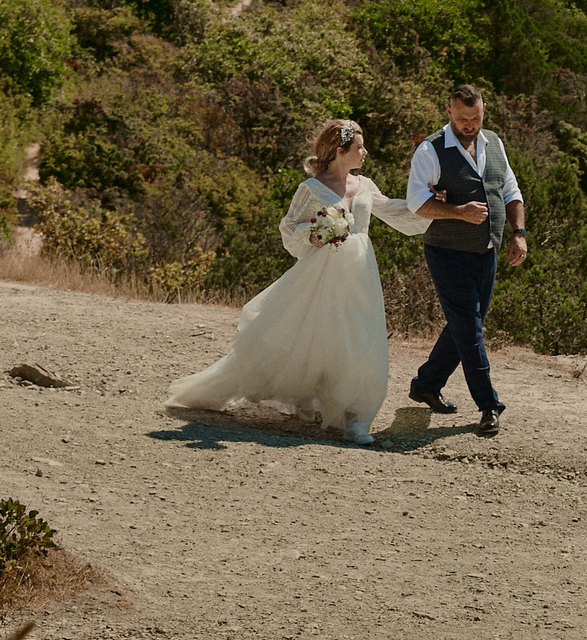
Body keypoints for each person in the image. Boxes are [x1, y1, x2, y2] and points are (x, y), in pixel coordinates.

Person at [163, 118, 426, 444]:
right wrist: (315, 234)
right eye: (359, 147)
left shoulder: (365, 186)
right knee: (312, 338)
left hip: (360, 275)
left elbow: (396, 211)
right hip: (320, 275)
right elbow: (290, 229)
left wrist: (431, 206)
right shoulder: (311, 190)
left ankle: (356, 418)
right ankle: (306, 398)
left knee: (361, 340)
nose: (365, 152)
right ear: (341, 151)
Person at [405, 85, 527, 436]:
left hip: (486, 251)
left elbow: (510, 191)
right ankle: (488, 405)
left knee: (465, 326)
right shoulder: (430, 149)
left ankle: (426, 384)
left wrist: (518, 233)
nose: (470, 125)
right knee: (471, 330)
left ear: (484, 111)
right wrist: (458, 211)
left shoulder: (494, 142)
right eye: (462, 119)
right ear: (449, 111)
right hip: (446, 252)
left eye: (475, 118)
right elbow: (416, 202)